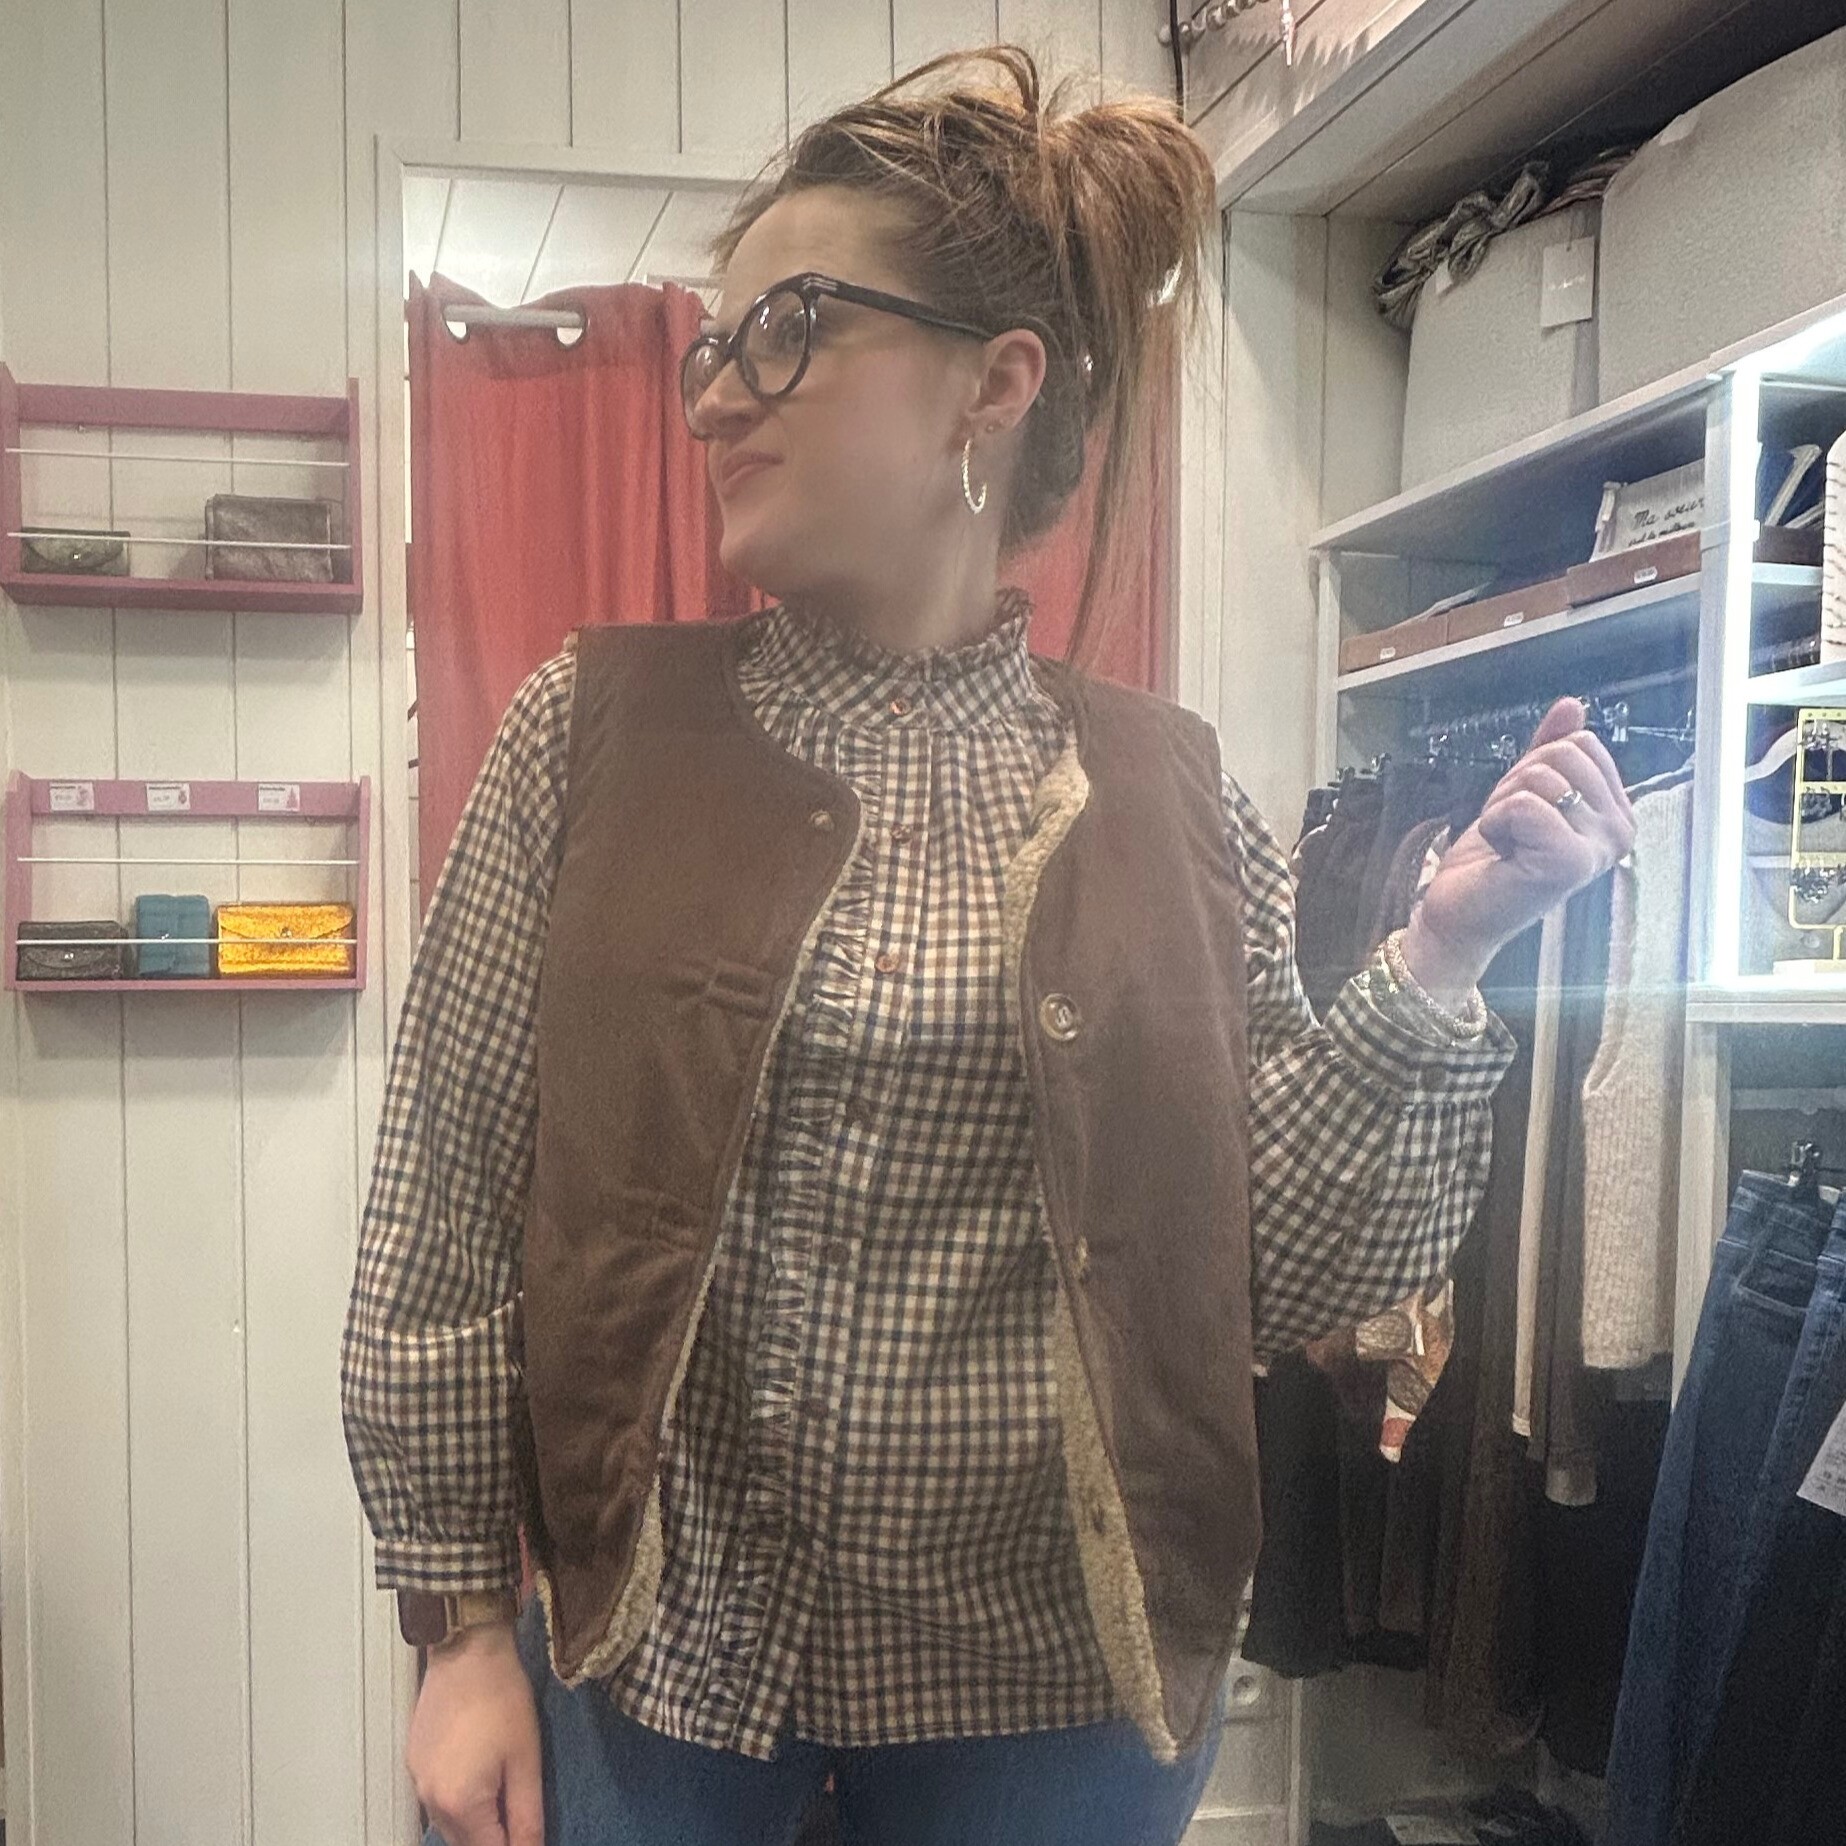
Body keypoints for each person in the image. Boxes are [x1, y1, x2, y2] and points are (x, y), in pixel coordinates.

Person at [341, 47, 1635, 1846]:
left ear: (994, 382)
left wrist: (1438, 953)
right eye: (713, 348)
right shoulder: (591, 732)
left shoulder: (1170, 790)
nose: (714, 399)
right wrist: (460, 1626)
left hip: (1056, 1697)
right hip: (657, 1667)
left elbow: (1269, 1273)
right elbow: (443, 1206)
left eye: (786, 330)